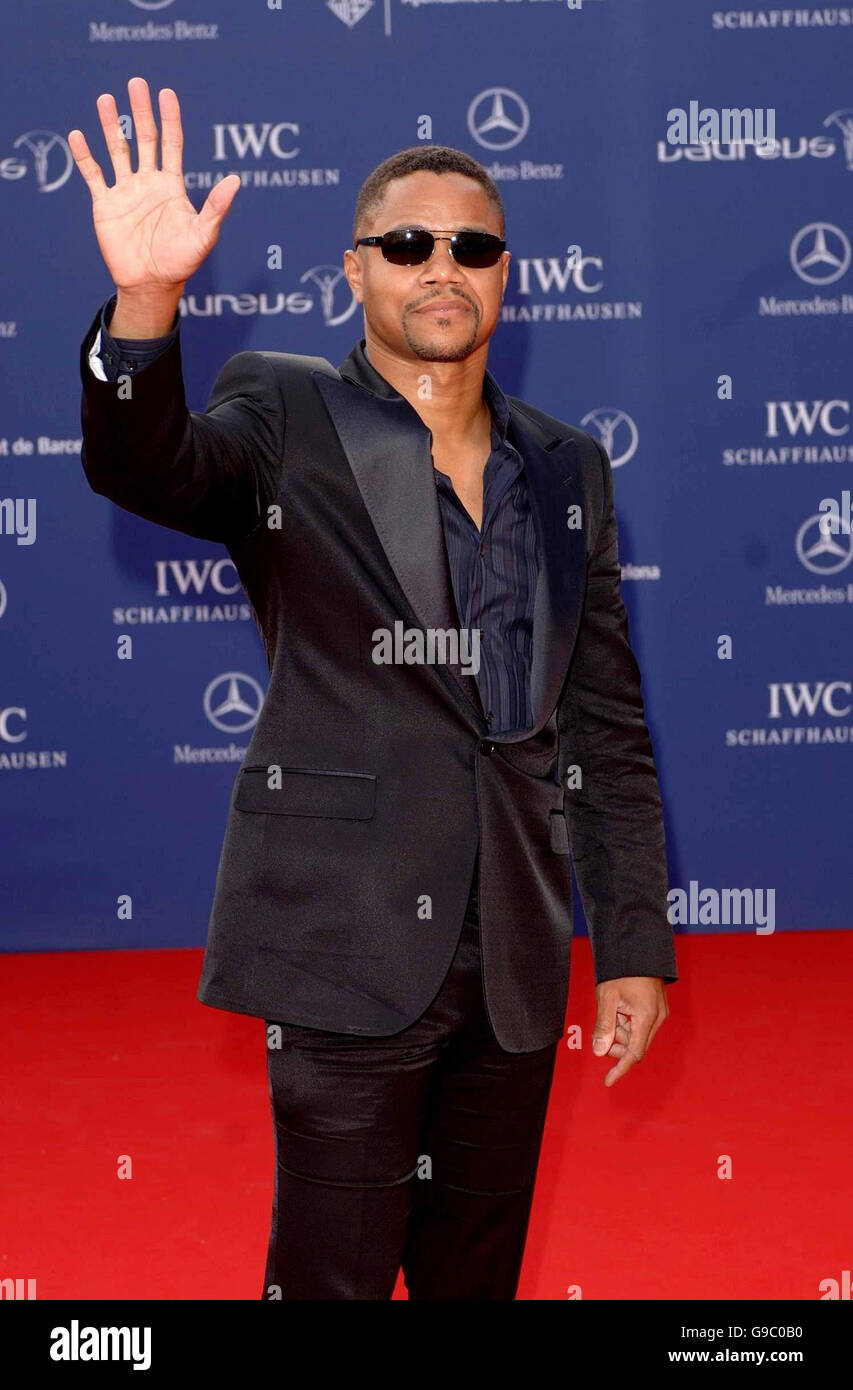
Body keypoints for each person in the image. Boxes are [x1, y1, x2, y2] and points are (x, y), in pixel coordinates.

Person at [70, 76, 677, 1301]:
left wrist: (632, 941)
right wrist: (146, 302)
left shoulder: (568, 466)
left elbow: (602, 724)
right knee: (332, 1278)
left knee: (474, 1277)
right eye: (408, 243)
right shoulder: (283, 409)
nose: (440, 266)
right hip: (343, 941)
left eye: (472, 245)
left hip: (510, 948)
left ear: (506, 274)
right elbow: (151, 468)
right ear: (357, 270)